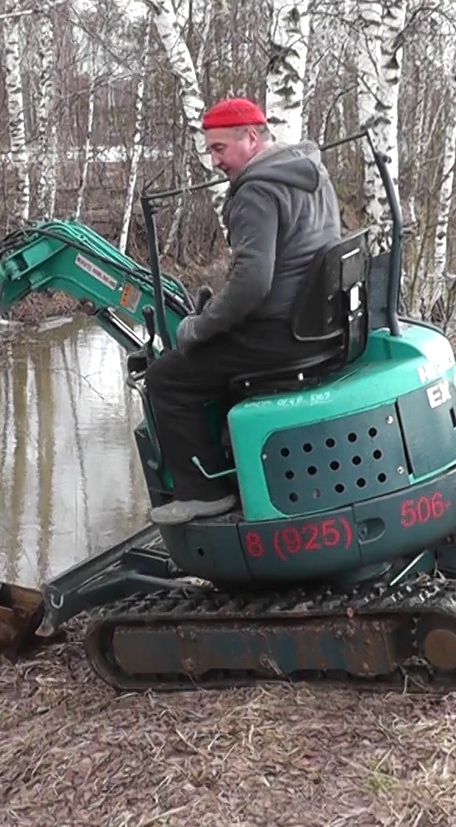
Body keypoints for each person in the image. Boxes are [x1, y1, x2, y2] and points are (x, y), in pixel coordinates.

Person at [144, 97, 343, 526]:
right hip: (316, 327)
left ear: (251, 138)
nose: (215, 162)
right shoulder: (309, 171)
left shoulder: (256, 189)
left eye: (219, 149)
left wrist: (199, 328)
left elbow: (253, 281)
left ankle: (205, 494)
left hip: (279, 335)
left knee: (167, 377)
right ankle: (240, 469)